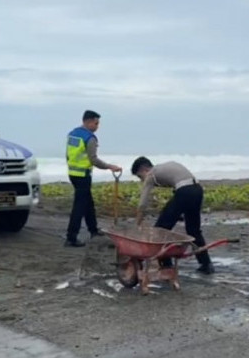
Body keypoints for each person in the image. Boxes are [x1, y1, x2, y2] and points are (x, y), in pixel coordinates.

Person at [131, 157, 215, 275]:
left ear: (144, 169)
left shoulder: (151, 174)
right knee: (194, 230)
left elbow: (142, 204)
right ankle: (206, 264)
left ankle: (166, 265)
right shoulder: (165, 166)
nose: (142, 181)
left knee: (160, 230)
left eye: (140, 177)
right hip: (197, 189)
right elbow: (180, 187)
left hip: (184, 192)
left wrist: (137, 224)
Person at [65, 110, 122, 247]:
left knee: (88, 203)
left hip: (73, 174)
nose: (97, 126)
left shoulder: (72, 134)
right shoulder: (89, 138)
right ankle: (71, 237)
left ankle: (93, 229)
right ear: (89, 121)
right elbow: (94, 160)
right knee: (79, 206)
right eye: (96, 123)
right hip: (83, 175)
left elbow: (68, 155)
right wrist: (110, 166)